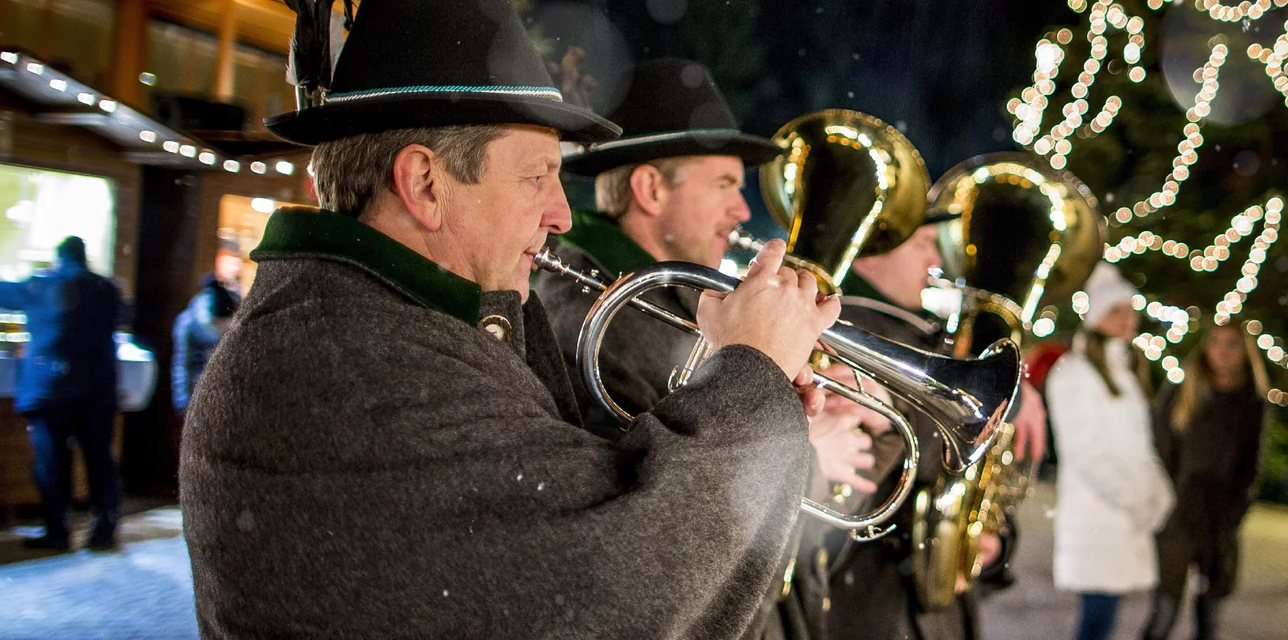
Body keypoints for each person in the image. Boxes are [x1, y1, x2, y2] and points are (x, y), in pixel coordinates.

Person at [179, 2, 839, 637]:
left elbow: (575, 512)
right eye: (537, 176)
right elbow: (620, 580)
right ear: (425, 184)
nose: (562, 215)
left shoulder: (366, 328)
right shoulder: (346, 364)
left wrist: (757, 402)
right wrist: (750, 379)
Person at [532, 58, 875, 639]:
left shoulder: (681, 294)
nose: (743, 211)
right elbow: (671, 483)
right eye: (723, 186)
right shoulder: (590, 298)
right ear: (649, 188)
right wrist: (799, 436)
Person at [821, 215, 1037, 640]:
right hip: (869, 610)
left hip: (939, 615)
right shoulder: (839, 334)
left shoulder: (934, 340)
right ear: (872, 256)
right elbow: (839, 500)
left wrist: (989, 545)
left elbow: (973, 473)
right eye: (921, 243)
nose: (936, 259)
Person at [1047, 263, 1175, 640]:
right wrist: (1135, 499)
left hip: (1123, 517)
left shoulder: (1126, 370)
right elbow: (1084, 452)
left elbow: (1141, 445)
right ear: (1096, 315)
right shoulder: (1074, 373)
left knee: (1105, 617)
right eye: (1117, 309)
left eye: (1131, 308)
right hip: (1100, 517)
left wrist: (1158, 492)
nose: (1129, 318)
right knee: (1096, 620)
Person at [0, 236, 126, 551]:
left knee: (53, 461)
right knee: (100, 458)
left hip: (52, 387)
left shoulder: (43, 284)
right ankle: (105, 529)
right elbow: (125, 317)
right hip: (97, 387)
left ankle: (58, 531)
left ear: (59, 258)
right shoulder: (107, 288)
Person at [1142, 322, 1266, 640]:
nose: (1223, 352)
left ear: (1244, 351)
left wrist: (1236, 510)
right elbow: (1161, 448)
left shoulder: (1252, 401)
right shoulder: (1184, 392)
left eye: (1232, 344)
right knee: (1164, 612)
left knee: (1210, 616)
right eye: (1216, 342)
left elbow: (1251, 464)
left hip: (1220, 518)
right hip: (1180, 511)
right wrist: (1169, 494)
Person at [171, 275, 239, 412]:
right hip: (197, 394)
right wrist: (183, 401)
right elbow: (182, 364)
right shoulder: (189, 324)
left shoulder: (233, 323)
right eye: (219, 324)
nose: (222, 328)